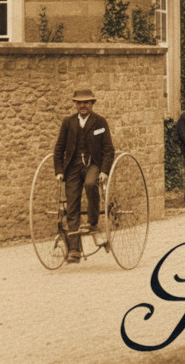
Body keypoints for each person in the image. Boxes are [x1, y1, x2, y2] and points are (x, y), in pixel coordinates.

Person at [53, 88, 114, 263]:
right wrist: (59, 171)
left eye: (86, 102)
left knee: (90, 184)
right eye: (79, 103)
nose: (83, 106)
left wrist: (104, 170)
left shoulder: (100, 122)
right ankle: (74, 250)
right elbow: (59, 148)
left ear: (92, 103)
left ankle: (92, 222)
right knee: (72, 205)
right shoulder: (68, 122)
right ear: (75, 104)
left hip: (92, 164)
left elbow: (108, 149)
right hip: (72, 167)